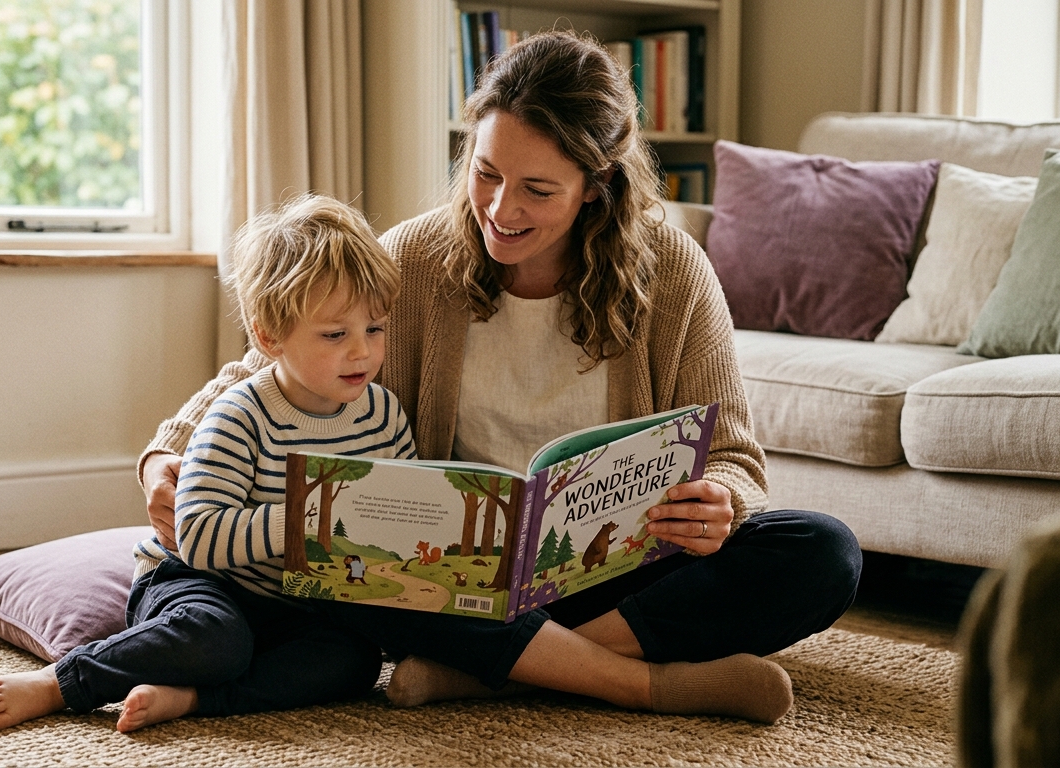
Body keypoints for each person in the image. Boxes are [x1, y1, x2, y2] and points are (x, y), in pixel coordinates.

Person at [140, 31, 862, 724]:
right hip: (448, 580)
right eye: (486, 173)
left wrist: (720, 505)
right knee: (347, 556)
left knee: (823, 552)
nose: (500, 209)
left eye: (537, 190)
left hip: (608, 573)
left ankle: (490, 673)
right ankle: (635, 683)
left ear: (596, 185)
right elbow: (271, 362)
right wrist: (164, 454)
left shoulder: (672, 272)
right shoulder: (418, 258)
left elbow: (734, 457)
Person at [0, 194, 417, 733]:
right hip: (200, 582)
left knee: (352, 661)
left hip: (298, 602)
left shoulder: (384, 416)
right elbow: (200, 537)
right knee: (215, 637)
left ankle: (192, 700)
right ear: (268, 336)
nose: (363, 352)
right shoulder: (240, 415)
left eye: (375, 329)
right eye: (335, 334)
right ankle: (62, 682)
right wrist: (308, 519)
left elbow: (399, 515)